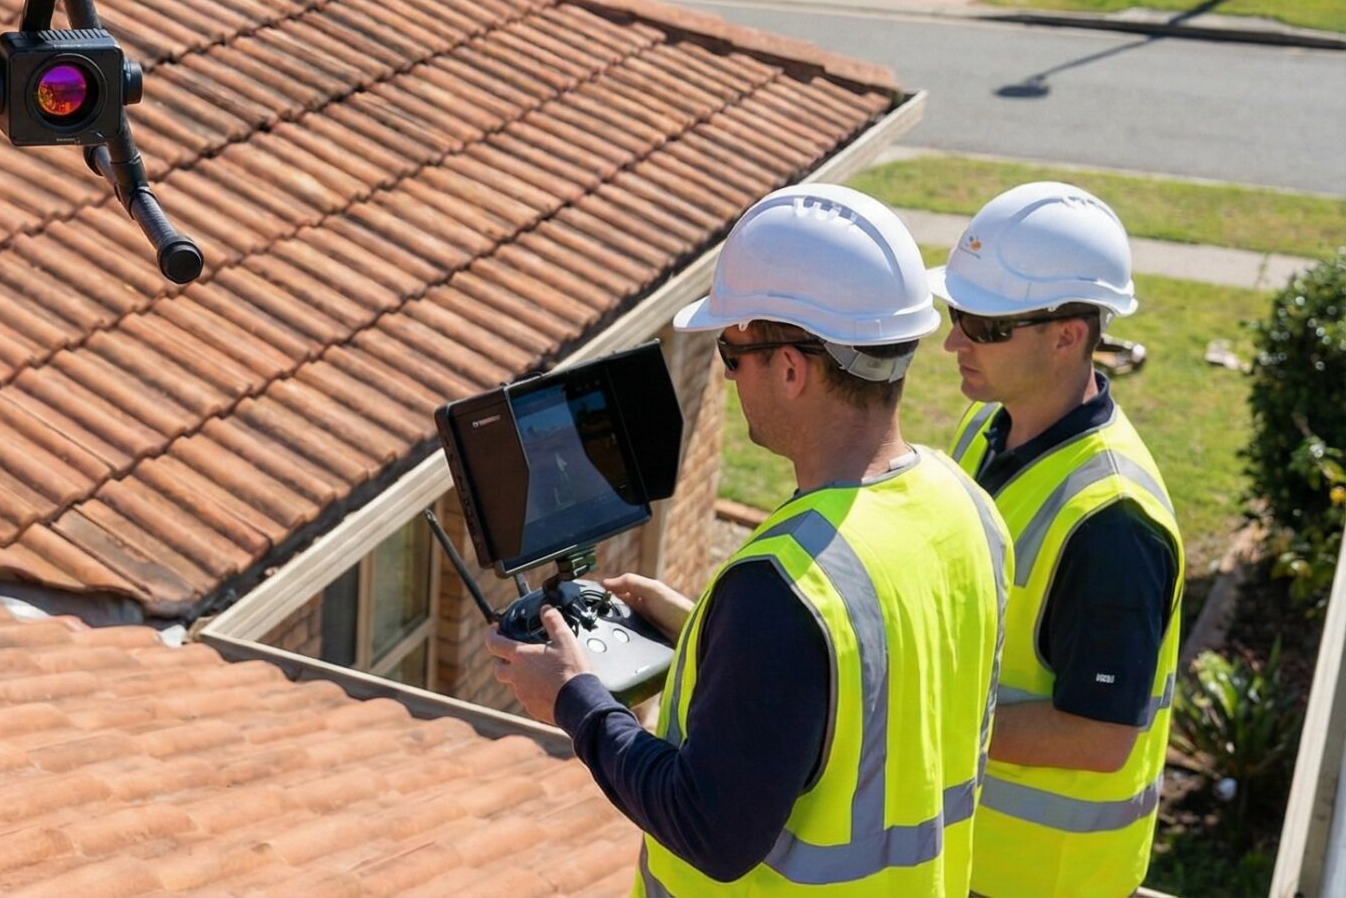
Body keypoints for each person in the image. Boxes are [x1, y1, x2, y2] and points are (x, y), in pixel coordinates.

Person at [487, 184, 1009, 896]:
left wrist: (572, 699)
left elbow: (708, 828)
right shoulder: (966, 506)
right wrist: (707, 634)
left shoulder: (782, 593)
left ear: (791, 367)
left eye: (731, 354)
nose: (729, 377)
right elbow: (861, 689)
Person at [934, 182, 1179, 898]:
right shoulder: (988, 425)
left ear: (1068, 335)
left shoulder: (1114, 523)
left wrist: (920, 715)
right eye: (955, 314)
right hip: (971, 860)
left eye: (983, 325)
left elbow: (1099, 737)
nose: (952, 341)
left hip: (1044, 880)